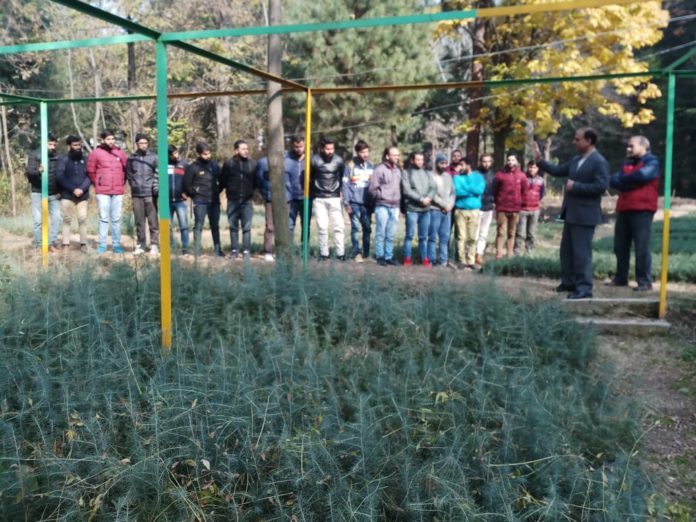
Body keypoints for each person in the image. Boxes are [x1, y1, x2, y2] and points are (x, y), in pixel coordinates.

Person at [533, 127, 609, 299]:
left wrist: (576, 186)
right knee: (566, 251)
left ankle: (584, 288)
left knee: (582, 253)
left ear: (589, 141)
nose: (573, 142)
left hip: (585, 215)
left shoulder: (599, 161)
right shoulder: (576, 160)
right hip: (571, 213)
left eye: (577, 139)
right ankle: (568, 282)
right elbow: (558, 170)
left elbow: (601, 186)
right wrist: (539, 161)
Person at [608, 135, 660, 291]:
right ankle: (621, 278)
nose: (628, 149)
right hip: (624, 208)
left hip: (642, 209)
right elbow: (613, 180)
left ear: (644, 146)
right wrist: (631, 182)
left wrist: (624, 180)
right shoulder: (627, 163)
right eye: (628, 146)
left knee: (641, 247)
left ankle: (644, 281)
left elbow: (642, 176)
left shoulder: (652, 162)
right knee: (620, 246)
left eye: (632, 146)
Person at [86, 129, 128, 254]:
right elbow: (90, 171)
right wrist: (98, 183)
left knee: (116, 219)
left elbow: (126, 170)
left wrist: (122, 183)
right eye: (108, 139)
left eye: (113, 139)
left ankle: (116, 244)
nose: (111, 141)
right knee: (104, 218)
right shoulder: (96, 153)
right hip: (102, 191)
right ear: (102, 140)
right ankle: (102, 245)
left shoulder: (120, 152)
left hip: (118, 190)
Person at [220, 139, 257, 260]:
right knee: (233, 227)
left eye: (247, 149)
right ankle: (234, 251)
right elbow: (223, 181)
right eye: (243, 149)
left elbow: (255, 182)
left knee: (246, 227)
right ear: (236, 151)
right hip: (233, 201)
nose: (246, 151)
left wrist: (250, 192)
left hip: (247, 201)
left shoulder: (252, 164)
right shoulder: (229, 164)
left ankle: (246, 251)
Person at [183, 142, 222, 257]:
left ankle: (218, 250)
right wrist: (194, 194)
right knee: (198, 226)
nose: (208, 156)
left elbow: (222, 180)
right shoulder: (193, 167)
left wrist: (217, 191)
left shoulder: (215, 165)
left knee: (215, 226)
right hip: (200, 201)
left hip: (214, 201)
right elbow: (187, 184)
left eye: (209, 153)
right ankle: (197, 251)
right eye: (205, 154)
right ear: (199, 154)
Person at [310, 138, 345, 260]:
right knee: (322, 227)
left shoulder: (339, 160)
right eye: (327, 149)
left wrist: (341, 192)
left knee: (339, 227)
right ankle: (324, 253)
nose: (330, 151)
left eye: (332, 149)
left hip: (334, 197)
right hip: (319, 198)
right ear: (322, 149)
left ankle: (341, 253)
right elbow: (310, 178)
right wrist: (313, 193)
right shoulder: (314, 160)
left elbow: (342, 177)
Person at [25, 132, 61, 251]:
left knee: (57, 218)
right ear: (44, 143)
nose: (52, 147)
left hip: (53, 193)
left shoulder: (57, 156)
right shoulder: (35, 155)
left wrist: (60, 191)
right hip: (38, 192)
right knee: (38, 220)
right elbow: (29, 173)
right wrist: (38, 171)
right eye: (50, 144)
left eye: (54, 145)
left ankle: (50, 243)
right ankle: (39, 245)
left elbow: (60, 175)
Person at [56, 135, 91, 253]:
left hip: (83, 195)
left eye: (79, 144)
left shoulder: (85, 159)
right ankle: (66, 244)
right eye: (75, 145)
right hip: (67, 195)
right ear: (69, 146)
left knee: (82, 219)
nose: (78, 147)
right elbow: (60, 176)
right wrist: (73, 189)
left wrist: (81, 189)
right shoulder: (63, 159)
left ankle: (83, 244)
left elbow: (90, 176)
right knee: (66, 219)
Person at [126, 133, 159, 256]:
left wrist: (154, 189)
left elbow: (157, 174)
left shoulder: (154, 157)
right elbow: (129, 175)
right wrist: (134, 185)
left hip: (150, 194)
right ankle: (141, 244)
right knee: (139, 221)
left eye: (145, 143)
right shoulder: (131, 159)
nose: (144, 145)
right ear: (137, 144)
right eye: (141, 143)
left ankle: (154, 245)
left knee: (153, 221)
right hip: (137, 194)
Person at [401, 151, 436, 266]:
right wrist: (421, 199)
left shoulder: (427, 173)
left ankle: (424, 258)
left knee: (423, 236)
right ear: (412, 160)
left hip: (426, 210)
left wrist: (429, 198)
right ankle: (407, 258)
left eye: (422, 160)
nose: (420, 162)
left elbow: (433, 187)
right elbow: (407, 190)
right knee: (409, 235)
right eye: (418, 160)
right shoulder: (406, 173)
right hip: (412, 209)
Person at [368, 146, 401, 266]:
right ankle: (380, 256)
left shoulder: (398, 170)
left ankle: (389, 256)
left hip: (395, 206)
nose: (397, 157)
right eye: (394, 155)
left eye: (398, 155)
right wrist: (381, 196)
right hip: (382, 205)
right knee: (380, 232)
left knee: (391, 234)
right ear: (387, 156)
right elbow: (372, 189)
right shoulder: (379, 169)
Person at [342, 139, 374, 262]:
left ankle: (366, 253)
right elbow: (345, 185)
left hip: (367, 203)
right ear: (357, 152)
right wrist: (346, 202)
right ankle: (356, 252)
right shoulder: (350, 165)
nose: (365, 154)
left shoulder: (371, 166)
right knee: (355, 227)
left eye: (367, 151)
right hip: (354, 202)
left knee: (367, 228)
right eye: (362, 152)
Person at [493, 153, 528, 259]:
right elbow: (495, 191)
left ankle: (509, 254)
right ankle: (499, 254)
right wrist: (497, 203)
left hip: (515, 209)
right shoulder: (500, 175)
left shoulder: (522, 176)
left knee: (512, 233)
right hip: (502, 208)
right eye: (508, 160)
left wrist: (521, 204)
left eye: (512, 160)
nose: (510, 162)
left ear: (517, 162)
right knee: (500, 232)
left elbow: (524, 192)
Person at [453, 157, 485, 269]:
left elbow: (479, 190)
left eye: (462, 164)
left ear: (468, 165)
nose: (460, 167)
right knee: (461, 237)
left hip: (474, 210)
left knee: (472, 237)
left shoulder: (479, 177)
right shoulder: (457, 178)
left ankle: (470, 261)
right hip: (460, 210)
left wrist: (466, 188)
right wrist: (472, 191)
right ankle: (461, 260)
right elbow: (457, 191)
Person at [428, 153, 455, 267]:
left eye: (445, 163)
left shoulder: (448, 176)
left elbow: (453, 193)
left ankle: (443, 259)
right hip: (435, 209)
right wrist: (443, 205)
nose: (444, 165)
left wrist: (450, 205)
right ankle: (432, 259)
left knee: (445, 237)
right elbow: (431, 193)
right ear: (436, 163)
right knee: (432, 236)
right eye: (441, 163)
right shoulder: (430, 176)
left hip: (447, 211)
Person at [514, 161, 545, 256]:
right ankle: (517, 252)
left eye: (534, 167)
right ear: (527, 167)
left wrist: (537, 202)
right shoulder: (522, 178)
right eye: (530, 167)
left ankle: (529, 252)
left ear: (538, 169)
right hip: (522, 209)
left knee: (531, 233)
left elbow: (541, 194)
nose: (532, 169)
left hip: (535, 210)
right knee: (520, 233)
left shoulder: (541, 180)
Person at [285, 136, 308, 246]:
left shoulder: (310, 159)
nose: (299, 149)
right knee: (289, 225)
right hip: (291, 198)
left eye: (301, 146)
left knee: (305, 225)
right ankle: (289, 249)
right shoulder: (287, 159)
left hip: (306, 197)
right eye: (296, 147)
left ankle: (305, 248)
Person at [168, 145, 190, 255]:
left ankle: (185, 248)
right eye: (172, 154)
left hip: (180, 201)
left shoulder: (184, 164)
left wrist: (187, 192)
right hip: (167, 202)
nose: (175, 156)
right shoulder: (164, 164)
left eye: (176, 153)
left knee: (184, 226)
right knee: (167, 226)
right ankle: (171, 248)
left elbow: (190, 180)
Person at [475, 154, 495, 266]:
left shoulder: (493, 176)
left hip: (488, 207)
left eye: (488, 161)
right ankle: (471, 254)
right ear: (480, 162)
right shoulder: (475, 174)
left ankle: (479, 254)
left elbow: (496, 191)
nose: (486, 164)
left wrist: (494, 201)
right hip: (477, 207)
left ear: (491, 162)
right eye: (484, 161)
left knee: (483, 233)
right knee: (475, 233)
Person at [254, 155, 275, 261]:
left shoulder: (287, 159)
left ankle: (283, 250)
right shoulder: (263, 162)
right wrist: (265, 193)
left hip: (286, 198)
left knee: (286, 226)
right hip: (270, 198)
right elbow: (259, 179)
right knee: (270, 226)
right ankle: (268, 251)